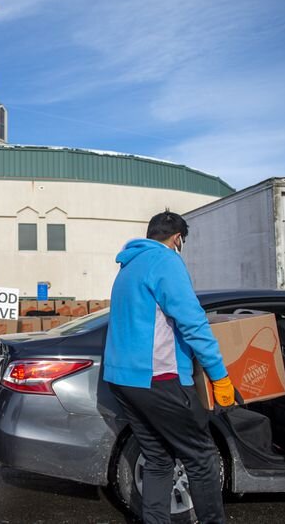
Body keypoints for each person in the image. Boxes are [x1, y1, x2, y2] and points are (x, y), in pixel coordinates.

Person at [104, 211, 236, 524]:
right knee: (201, 457)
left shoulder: (128, 266)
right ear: (177, 238)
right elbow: (192, 322)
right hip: (159, 378)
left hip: (124, 381)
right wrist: (219, 375)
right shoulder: (166, 262)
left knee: (158, 459)